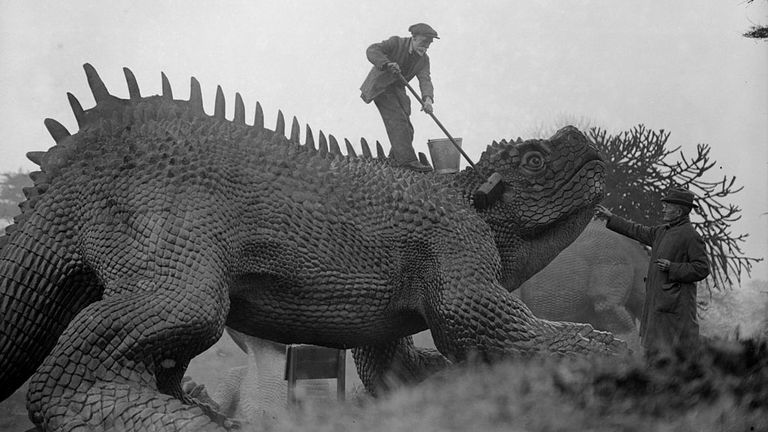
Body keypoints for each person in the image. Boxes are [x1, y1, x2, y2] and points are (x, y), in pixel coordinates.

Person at [595, 188, 710, 358]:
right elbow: (637, 230)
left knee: (674, 355)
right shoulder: (662, 231)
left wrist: (672, 267)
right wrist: (611, 218)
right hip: (659, 307)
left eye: (667, 206)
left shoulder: (691, 236)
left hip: (676, 309)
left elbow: (702, 268)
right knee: (655, 352)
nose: (663, 209)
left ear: (678, 211)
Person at [360, 23, 438, 172]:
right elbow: (372, 50)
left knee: (407, 126)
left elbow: (425, 79)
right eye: (423, 42)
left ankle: (395, 158)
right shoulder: (396, 43)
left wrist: (427, 99)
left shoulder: (423, 60)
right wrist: (387, 63)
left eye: (428, 45)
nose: (425, 47)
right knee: (397, 120)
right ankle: (408, 160)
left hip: (398, 88)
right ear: (413, 38)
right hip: (381, 85)